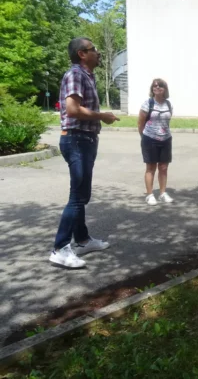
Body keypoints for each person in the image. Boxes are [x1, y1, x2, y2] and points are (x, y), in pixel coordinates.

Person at [49, 37, 120, 269]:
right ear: (82, 53)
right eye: (94, 50)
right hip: (76, 139)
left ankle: (82, 240)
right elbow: (72, 110)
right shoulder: (76, 74)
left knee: (81, 194)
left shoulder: (87, 75)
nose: (98, 53)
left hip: (85, 140)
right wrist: (103, 116)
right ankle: (60, 248)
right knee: (78, 197)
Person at [138, 79, 175, 206]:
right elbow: (140, 123)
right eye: (154, 85)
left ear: (165, 89)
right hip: (150, 139)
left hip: (166, 139)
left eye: (160, 85)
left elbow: (167, 122)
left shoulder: (169, 104)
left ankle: (163, 193)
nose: (157, 87)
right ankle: (149, 195)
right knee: (151, 168)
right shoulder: (148, 103)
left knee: (164, 168)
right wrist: (144, 137)